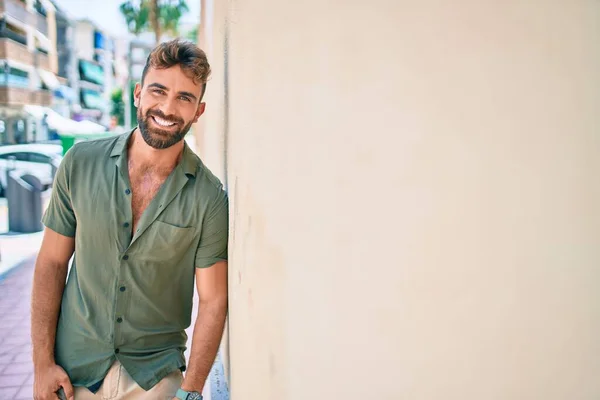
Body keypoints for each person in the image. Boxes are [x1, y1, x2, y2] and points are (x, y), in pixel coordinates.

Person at [31, 39, 228, 400]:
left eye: (184, 98)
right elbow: (52, 262)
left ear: (198, 112)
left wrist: (192, 391)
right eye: (158, 91)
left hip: (155, 378)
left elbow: (214, 300)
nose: (168, 108)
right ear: (138, 94)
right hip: (73, 372)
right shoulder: (79, 164)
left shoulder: (209, 197)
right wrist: (42, 363)